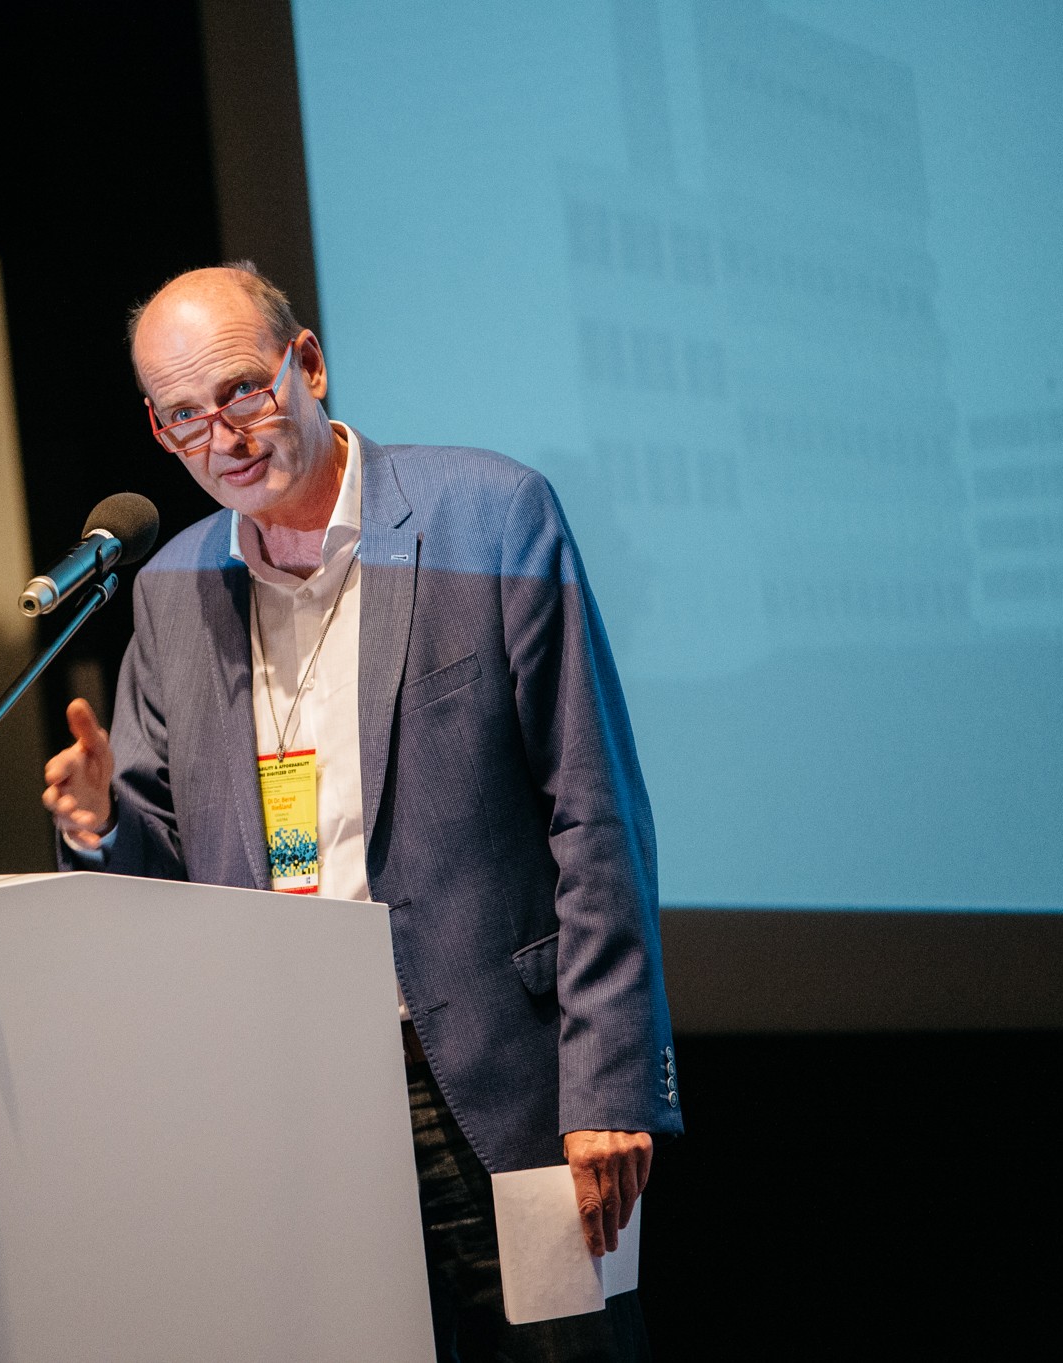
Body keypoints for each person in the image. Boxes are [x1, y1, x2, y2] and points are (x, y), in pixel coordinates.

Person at [40, 263, 680, 1361]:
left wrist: (608, 1080)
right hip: (292, 1109)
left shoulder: (489, 513)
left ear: (309, 363)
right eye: (185, 415)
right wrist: (99, 826)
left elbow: (594, 808)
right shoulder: (171, 588)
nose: (223, 438)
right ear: (157, 429)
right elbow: (161, 885)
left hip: (504, 1086)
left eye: (242, 391)